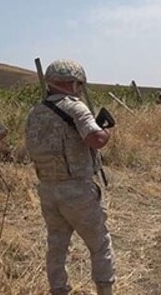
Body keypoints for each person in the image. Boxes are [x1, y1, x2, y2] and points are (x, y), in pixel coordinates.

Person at [25, 59, 116, 295]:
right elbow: (95, 140)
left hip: (48, 190)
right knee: (99, 245)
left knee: (56, 246)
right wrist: (106, 130)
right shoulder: (75, 107)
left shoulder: (34, 113)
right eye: (77, 83)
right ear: (71, 83)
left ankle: (59, 290)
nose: (78, 88)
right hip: (77, 189)